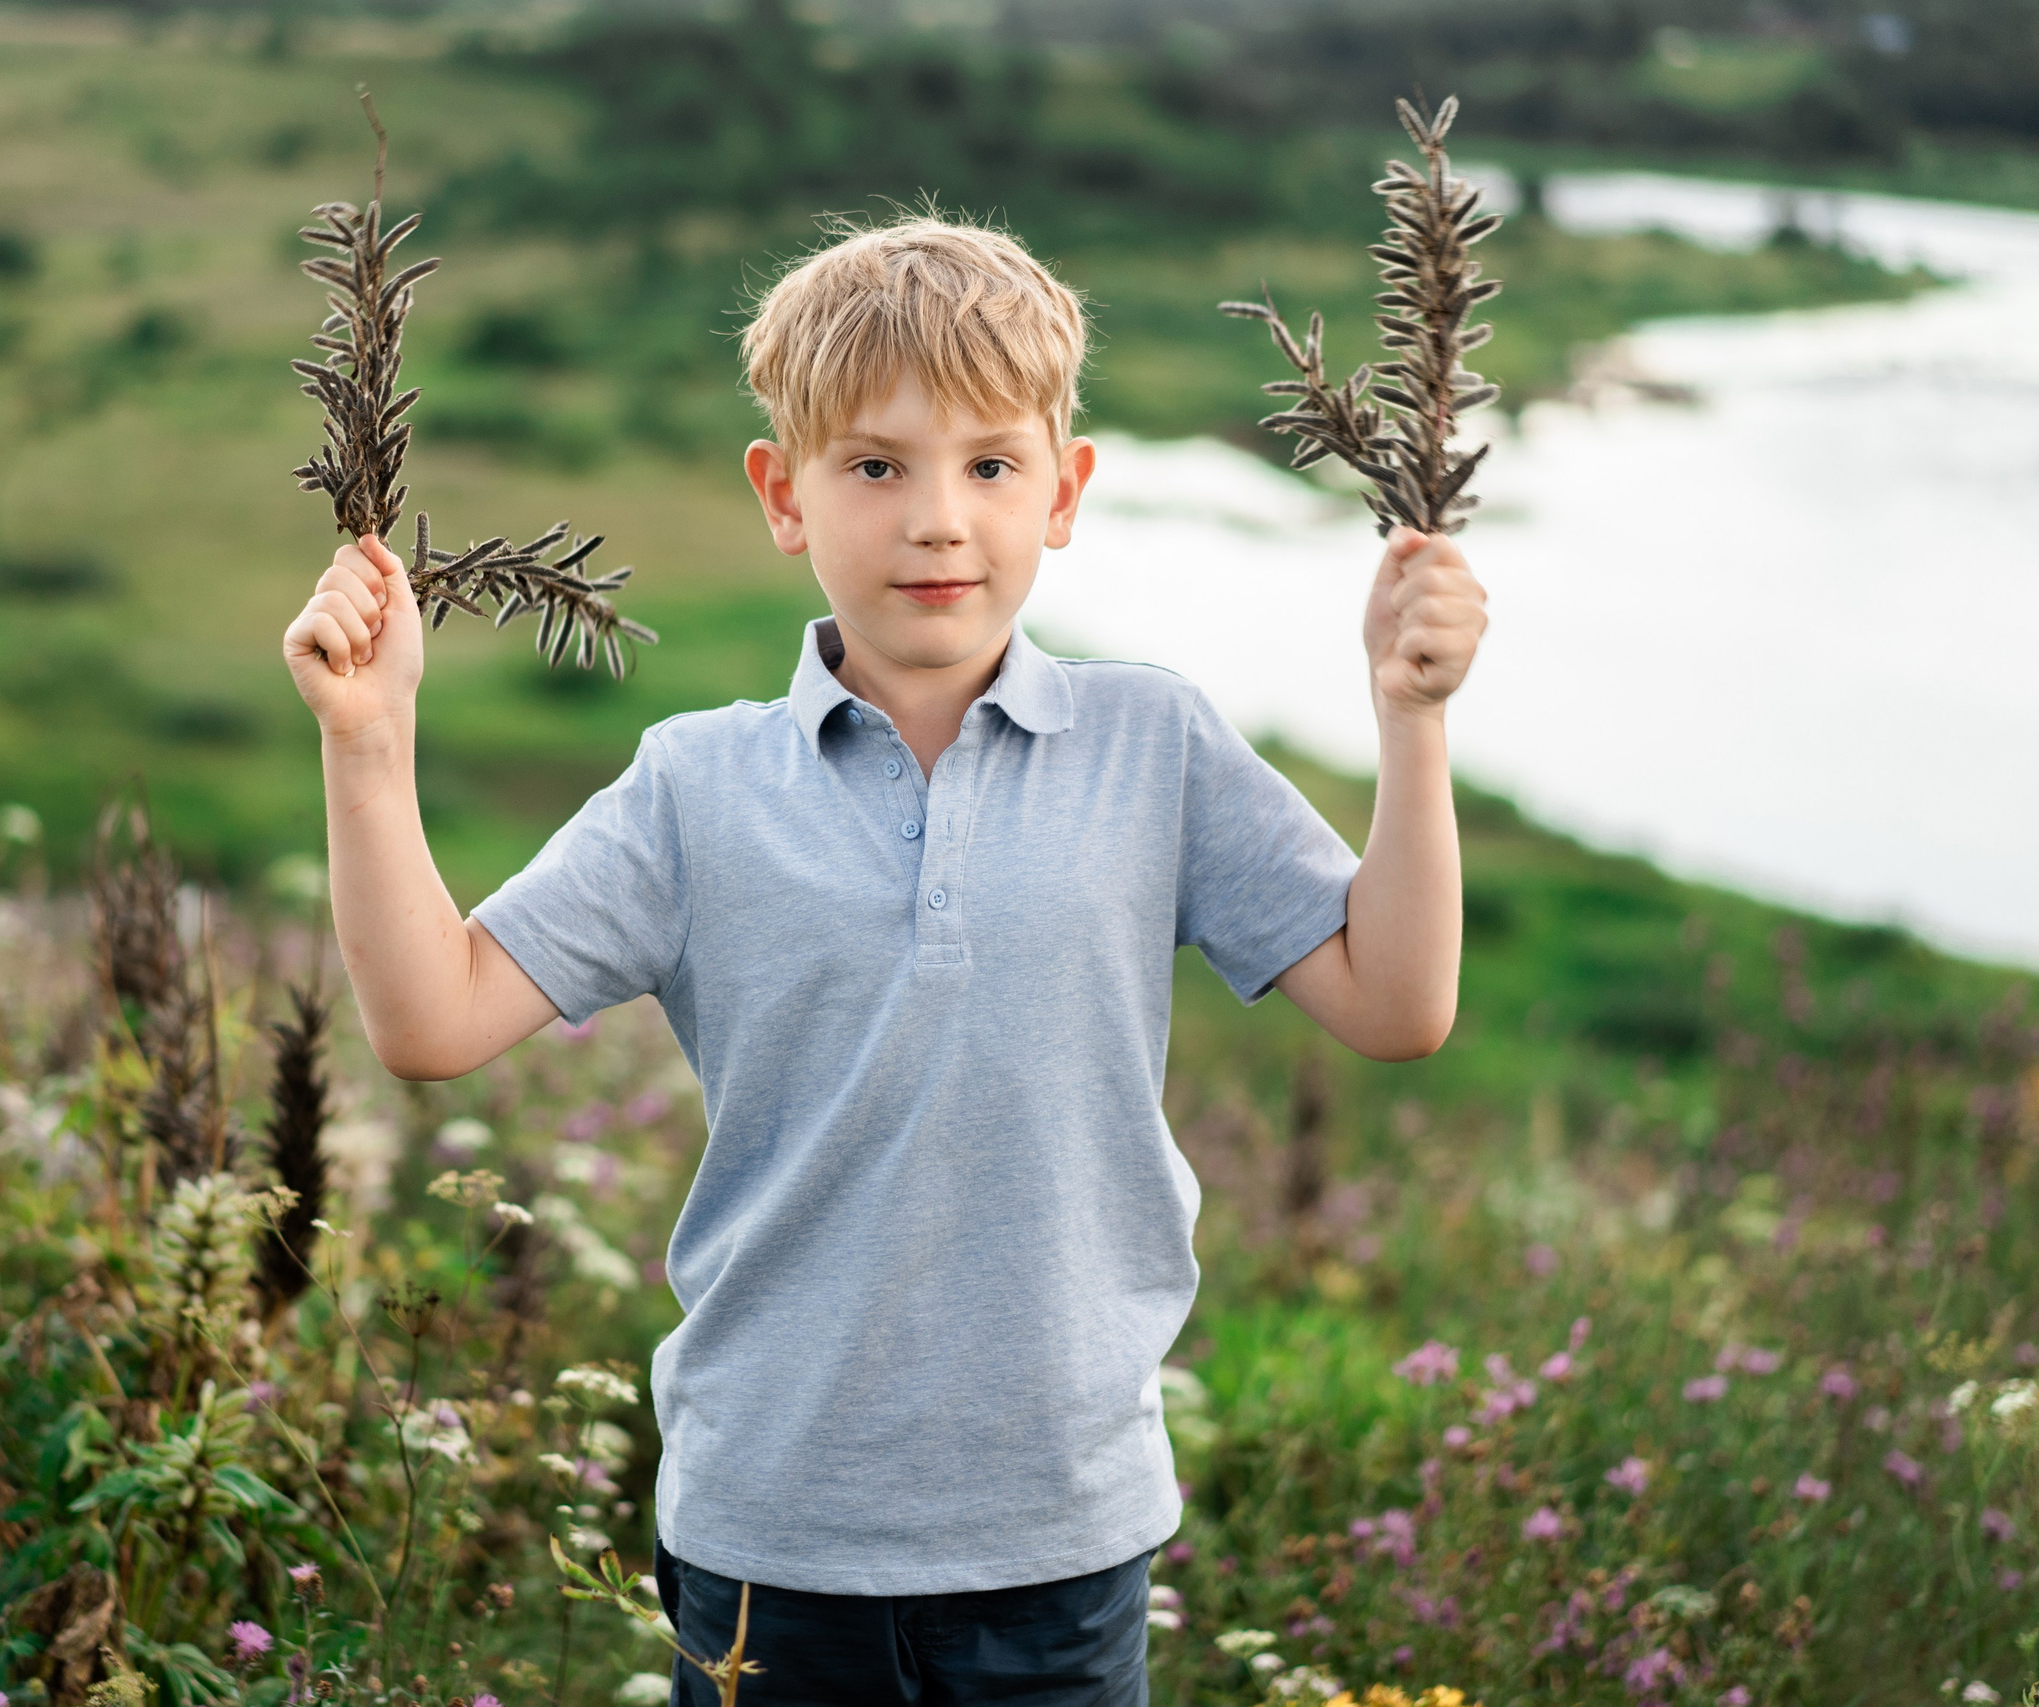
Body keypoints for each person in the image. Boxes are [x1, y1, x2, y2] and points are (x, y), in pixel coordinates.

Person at [282, 214, 1488, 1705]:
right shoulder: (693, 787)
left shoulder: (1153, 747)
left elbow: (1398, 1003)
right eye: (876, 466)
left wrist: (1411, 721)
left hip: (1061, 1542)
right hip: (769, 1548)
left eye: (992, 465)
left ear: (1067, 492)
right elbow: (430, 1019)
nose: (938, 520)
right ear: (782, 495)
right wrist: (370, 742)